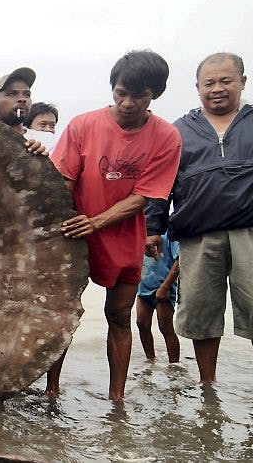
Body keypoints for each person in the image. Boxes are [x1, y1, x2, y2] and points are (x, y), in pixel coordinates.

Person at [147, 52, 253, 401]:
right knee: (201, 310)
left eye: (226, 81)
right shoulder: (179, 130)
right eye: (209, 83)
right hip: (197, 232)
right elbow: (160, 181)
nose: (217, 89)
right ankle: (208, 384)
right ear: (198, 88)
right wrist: (152, 227)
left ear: (242, 82)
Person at [48, 50, 182, 400]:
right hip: (74, 231)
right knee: (61, 313)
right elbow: (62, 179)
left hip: (122, 233)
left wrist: (97, 223)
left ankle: (116, 398)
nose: (127, 102)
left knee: (119, 315)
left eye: (138, 95)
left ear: (155, 93)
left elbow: (144, 196)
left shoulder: (167, 137)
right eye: (121, 92)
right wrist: (70, 222)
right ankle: (50, 390)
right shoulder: (82, 125)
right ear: (113, 88)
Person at [135, 200, 180, 363]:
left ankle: (174, 365)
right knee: (142, 324)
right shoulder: (141, 231)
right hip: (143, 286)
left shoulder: (169, 232)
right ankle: (150, 360)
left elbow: (179, 260)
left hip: (163, 288)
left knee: (166, 328)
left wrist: (166, 286)